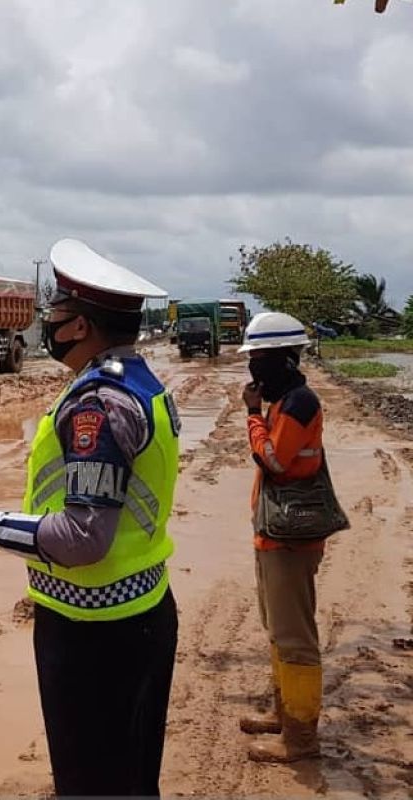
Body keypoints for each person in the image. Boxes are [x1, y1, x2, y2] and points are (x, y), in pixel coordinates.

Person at [0, 238, 181, 797]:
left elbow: (82, 537)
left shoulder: (99, 403)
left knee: (91, 784)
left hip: (96, 631)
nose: (48, 324)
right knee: (131, 780)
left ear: (80, 328)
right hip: (141, 608)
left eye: (57, 315)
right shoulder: (138, 383)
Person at [237, 312, 324, 763]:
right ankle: (284, 714)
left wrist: (251, 415)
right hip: (276, 529)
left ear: (283, 359)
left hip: (291, 535)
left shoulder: (297, 404)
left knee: (294, 637)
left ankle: (301, 740)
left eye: (258, 358)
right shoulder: (286, 399)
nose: (253, 368)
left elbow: (272, 459)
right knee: (278, 628)